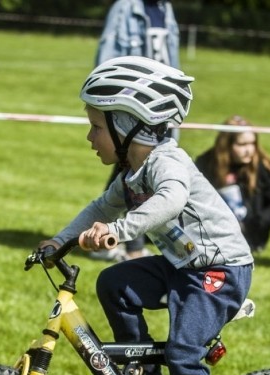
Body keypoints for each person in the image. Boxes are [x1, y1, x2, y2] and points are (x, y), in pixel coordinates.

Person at [38, 56, 254, 375]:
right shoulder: (131, 174)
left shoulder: (165, 162)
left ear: (127, 125)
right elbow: (99, 208)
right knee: (113, 284)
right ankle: (139, 372)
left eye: (97, 127)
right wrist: (59, 241)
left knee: (183, 350)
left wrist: (118, 233)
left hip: (220, 270)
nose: (90, 136)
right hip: (183, 268)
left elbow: (171, 200)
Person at [90, 0, 180, 263]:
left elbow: (171, 58)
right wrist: (109, 101)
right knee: (132, 170)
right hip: (134, 102)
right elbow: (108, 57)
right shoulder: (126, 7)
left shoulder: (166, 9)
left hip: (159, 103)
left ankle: (112, 239)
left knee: (135, 171)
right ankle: (132, 246)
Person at [195, 116, 270, 254]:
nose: (249, 150)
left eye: (252, 143)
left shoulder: (265, 168)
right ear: (226, 145)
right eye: (242, 145)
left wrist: (255, 224)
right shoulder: (206, 163)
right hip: (213, 231)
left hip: (251, 234)